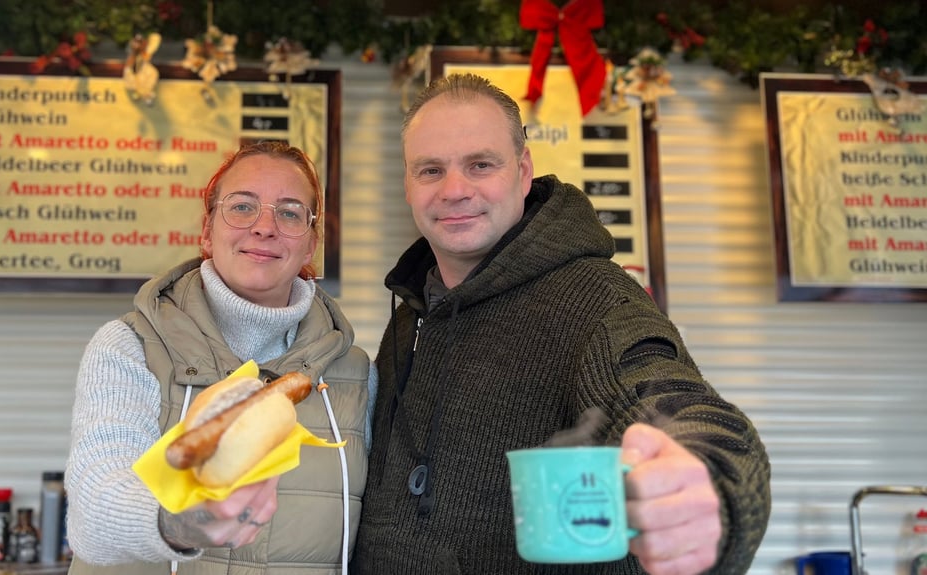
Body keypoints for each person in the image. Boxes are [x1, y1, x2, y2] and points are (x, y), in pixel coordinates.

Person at [353, 73, 771, 575]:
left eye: (480, 165)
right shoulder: (409, 317)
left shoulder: (598, 301)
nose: (454, 190)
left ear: (523, 171)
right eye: (430, 170)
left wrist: (708, 482)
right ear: (407, 184)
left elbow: (667, 397)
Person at [66, 141, 375, 575]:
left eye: (289, 213)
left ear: (310, 246)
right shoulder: (129, 346)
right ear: (208, 231)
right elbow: (93, 509)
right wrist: (182, 524)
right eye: (243, 207)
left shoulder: (356, 373)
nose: (265, 227)